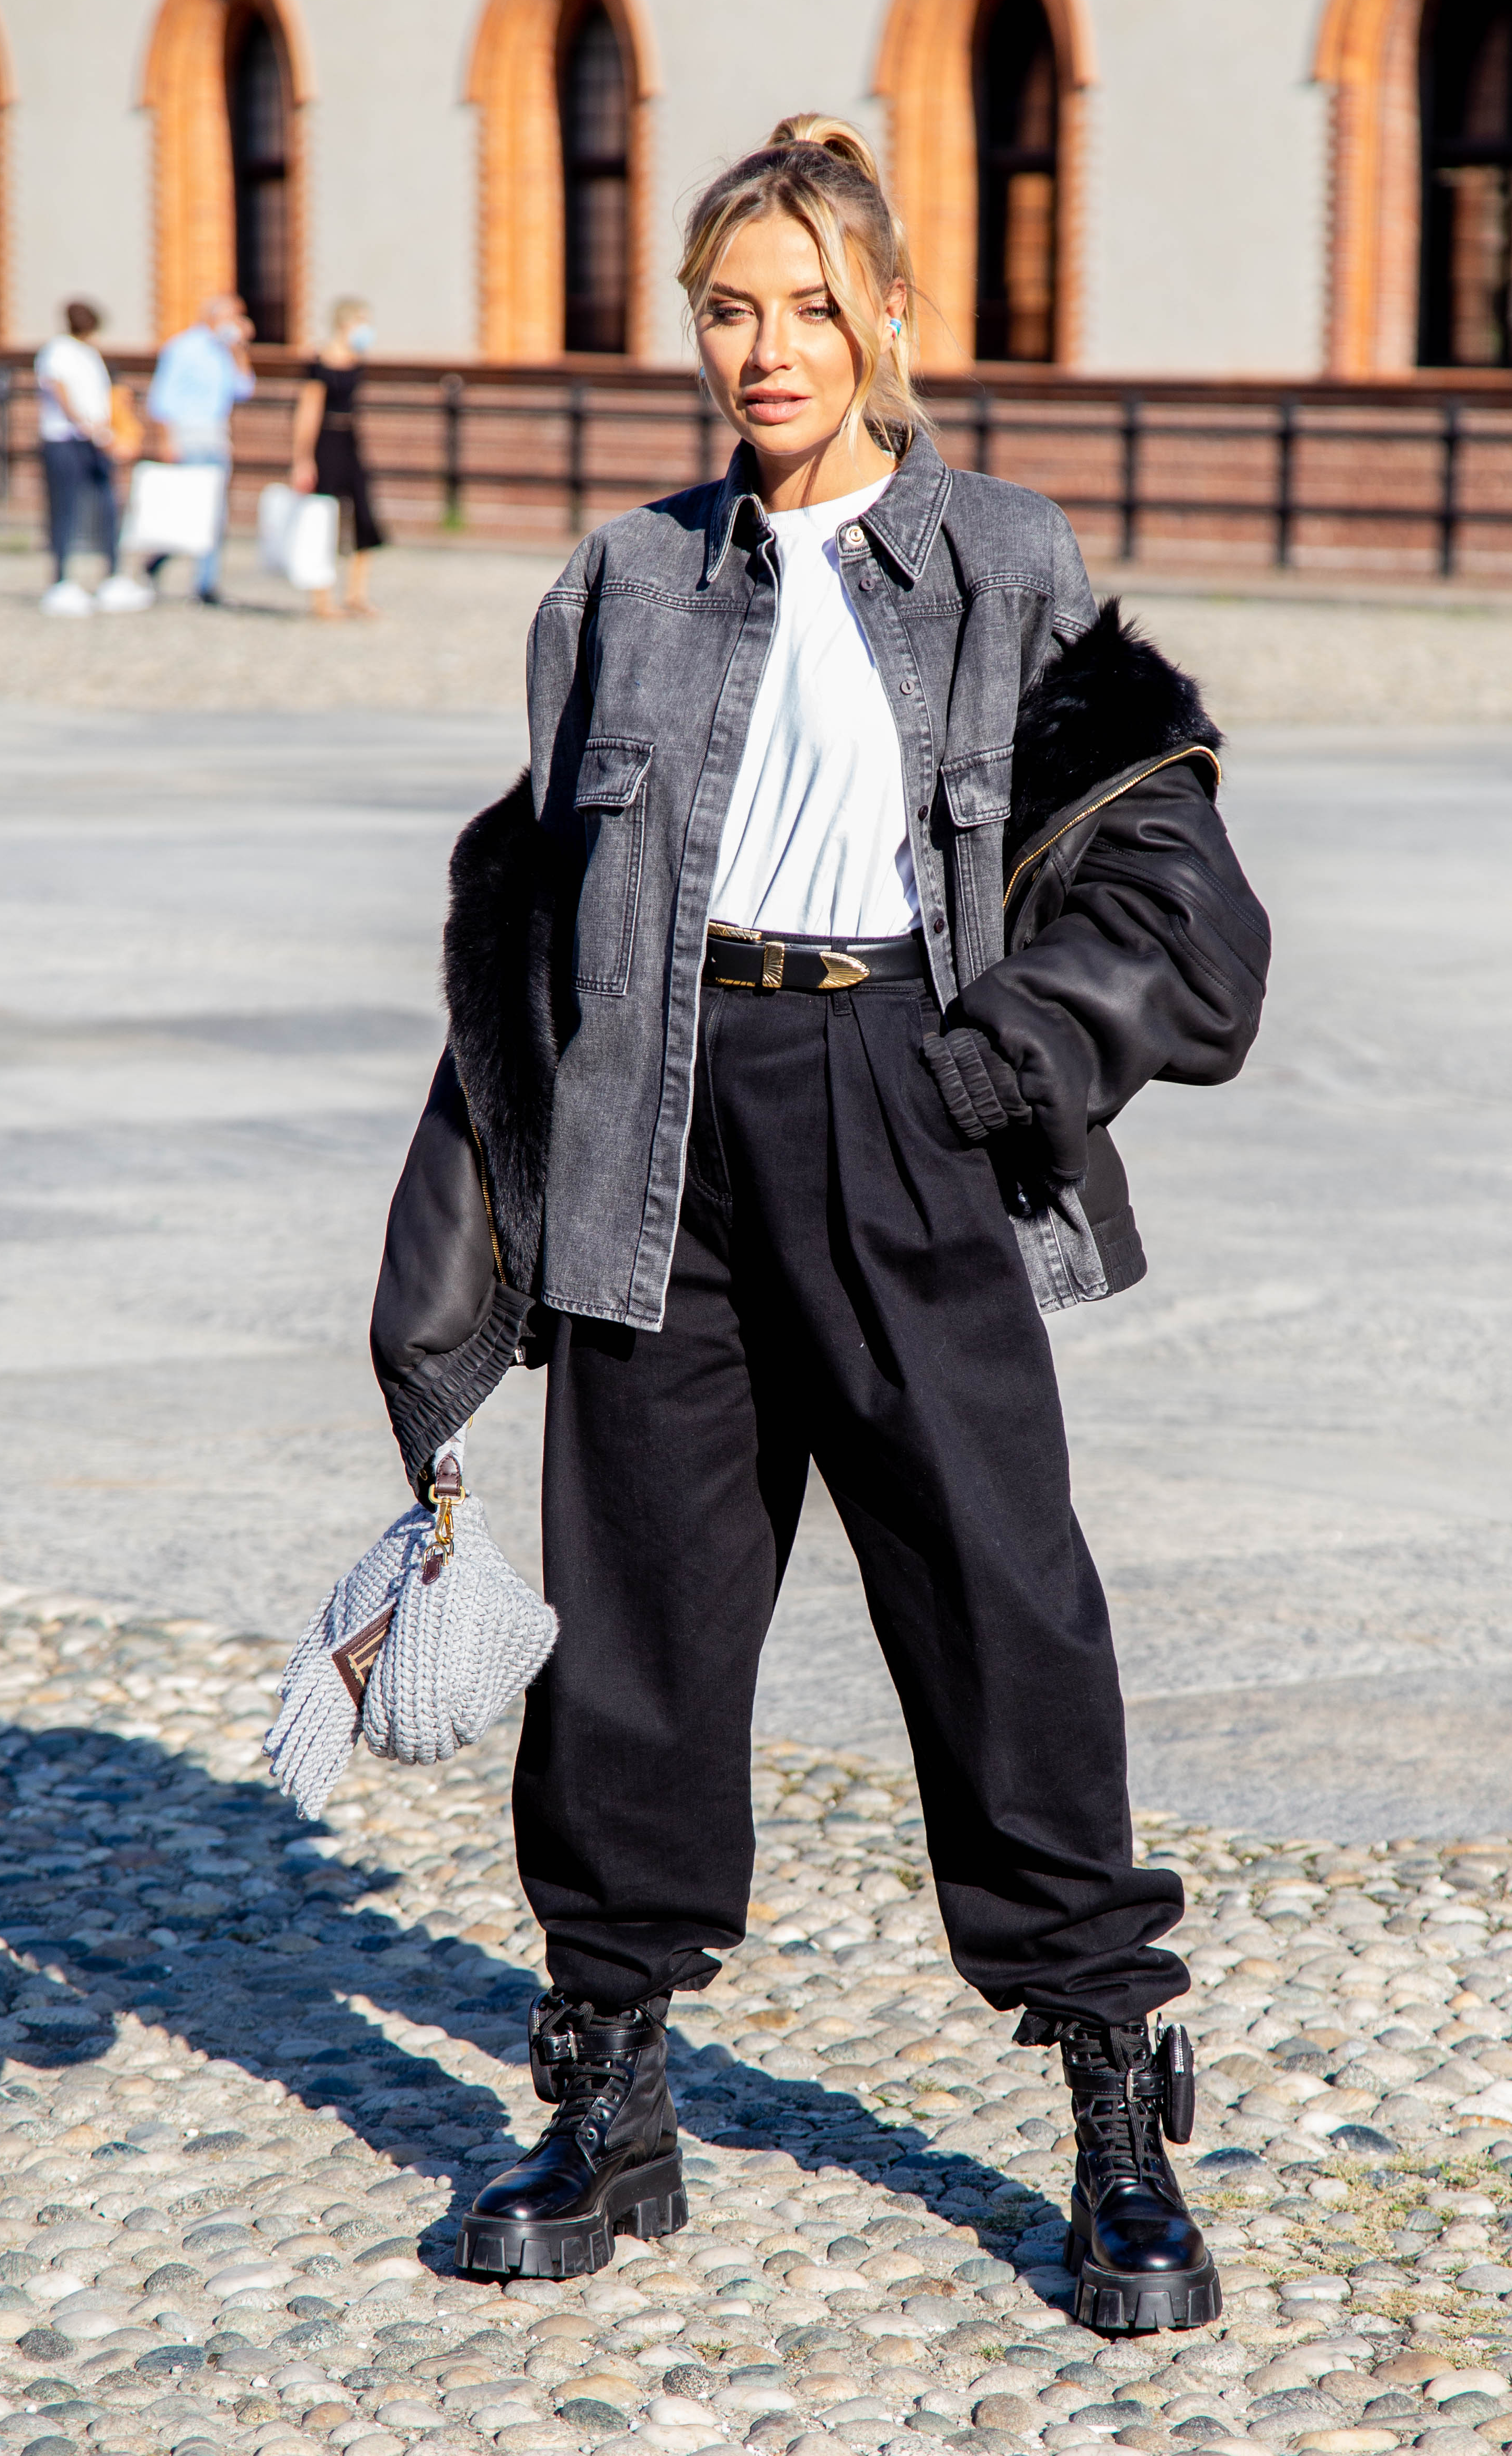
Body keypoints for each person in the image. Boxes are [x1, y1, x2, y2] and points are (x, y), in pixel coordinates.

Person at [370, 118, 1271, 2327]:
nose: (761, 348)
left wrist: (992, 1069)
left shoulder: (1002, 562)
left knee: (1003, 1611)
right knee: (639, 1631)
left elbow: (1164, 863)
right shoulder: (618, 585)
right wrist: (466, 1227)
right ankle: (607, 2089)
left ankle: (1109, 2101)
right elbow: (537, 925)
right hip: (652, 1143)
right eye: (724, 307)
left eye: (800, 303)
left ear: (889, 318)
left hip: (901, 1103)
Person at [33, 302, 151, 616]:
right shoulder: (56, 351)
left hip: (96, 441)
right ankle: (61, 580)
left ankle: (112, 575)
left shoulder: (89, 354)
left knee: (107, 505)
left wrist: (106, 429)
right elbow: (59, 389)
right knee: (65, 509)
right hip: (64, 440)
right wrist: (81, 422)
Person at [143, 292, 256, 604]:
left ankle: (206, 584)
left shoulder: (226, 351)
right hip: (188, 437)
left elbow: (245, 389)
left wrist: (239, 351)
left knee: (215, 514)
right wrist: (168, 440)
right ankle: (158, 559)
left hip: (217, 438)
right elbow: (162, 398)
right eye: (232, 317)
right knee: (188, 510)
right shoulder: (183, 348)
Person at [289, 296, 387, 619]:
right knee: (324, 520)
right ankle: (322, 598)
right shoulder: (320, 363)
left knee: (362, 514)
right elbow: (308, 411)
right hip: (326, 441)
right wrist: (303, 458)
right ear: (347, 324)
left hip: (350, 440)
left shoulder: (357, 360)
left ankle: (356, 592)